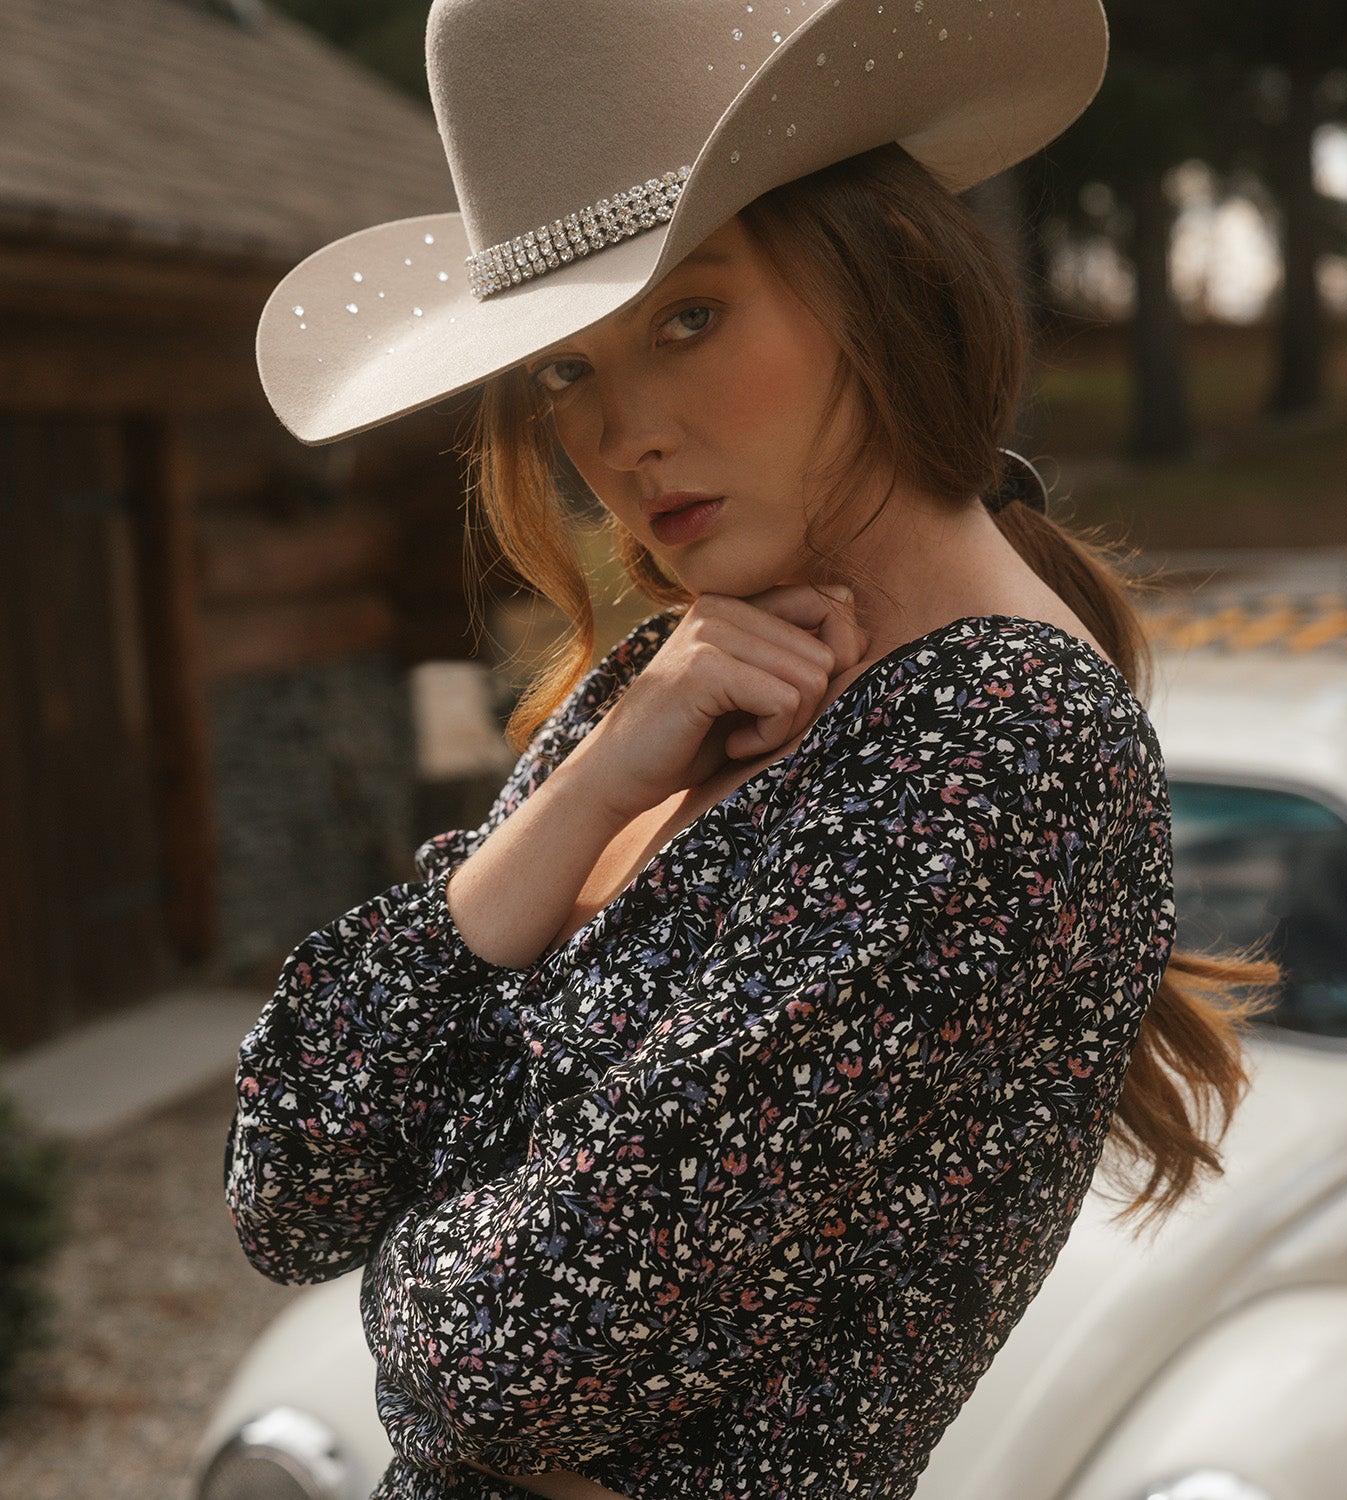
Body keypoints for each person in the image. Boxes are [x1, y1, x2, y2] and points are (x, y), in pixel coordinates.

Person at [227, 2, 1279, 1498]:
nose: (623, 435)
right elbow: (286, 1185)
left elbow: (513, 1359)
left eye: (687, 317)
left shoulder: (1000, 746)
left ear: (882, 277)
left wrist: (409, 1249)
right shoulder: (671, 675)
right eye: (563, 370)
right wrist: (587, 791)